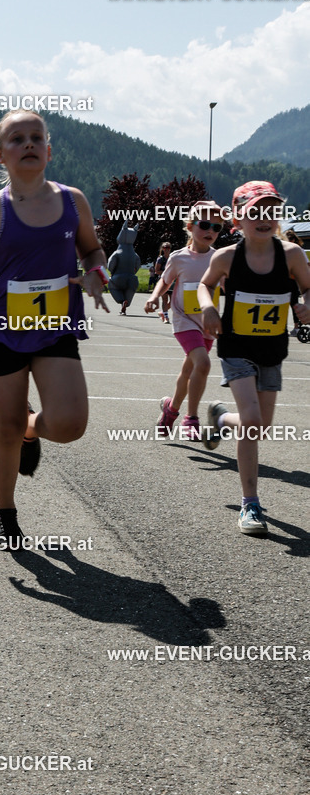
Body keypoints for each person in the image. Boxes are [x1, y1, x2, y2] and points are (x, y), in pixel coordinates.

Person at [0, 109, 109, 550]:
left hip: (56, 327)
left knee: (69, 424)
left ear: (49, 150)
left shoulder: (73, 201)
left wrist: (96, 270)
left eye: (36, 137)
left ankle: (31, 428)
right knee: (2, 427)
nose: (28, 144)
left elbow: (92, 250)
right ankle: (3, 512)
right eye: (17, 138)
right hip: (3, 331)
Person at [198, 181, 310, 536]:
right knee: (251, 419)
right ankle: (251, 503)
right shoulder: (226, 257)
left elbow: (308, 286)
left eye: (271, 211)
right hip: (236, 349)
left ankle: (219, 418)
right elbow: (205, 284)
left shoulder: (292, 254)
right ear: (237, 218)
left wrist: (306, 302)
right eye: (255, 211)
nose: (264, 218)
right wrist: (208, 307)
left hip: (272, 352)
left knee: (259, 425)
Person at [145, 200, 225, 439]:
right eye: (204, 225)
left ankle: (171, 409)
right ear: (189, 226)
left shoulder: (220, 258)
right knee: (203, 364)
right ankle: (191, 418)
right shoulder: (178, 258)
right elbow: (164, 281)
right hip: (184, 320)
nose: (210, 231)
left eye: (217, 227)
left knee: (188, 371)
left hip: (207, 324)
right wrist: (154, 298)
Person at [154, 242, 172, 322]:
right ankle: (166, 317)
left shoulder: (172, 258)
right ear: (162, 249)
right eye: (165, 248)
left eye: (168, 248)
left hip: (172, 281)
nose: (166, 249)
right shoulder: (160, 259)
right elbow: (156, 271)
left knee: (173, 302)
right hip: (163, 280)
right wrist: (166, 272)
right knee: (164, 299)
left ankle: (162, 312)